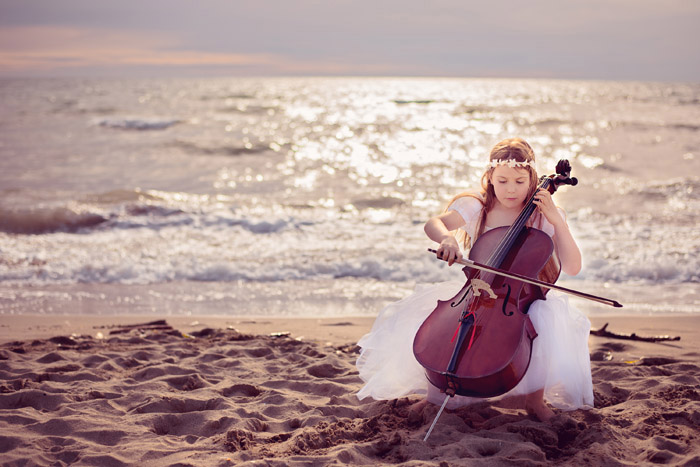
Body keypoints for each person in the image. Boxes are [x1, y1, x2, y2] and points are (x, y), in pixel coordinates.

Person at [356, 137, 593, 422]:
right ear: (490, 176)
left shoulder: (544, 216)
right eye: (502, 180)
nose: (511, 189)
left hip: (519, 301)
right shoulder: (477, 206)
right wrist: (448, 240)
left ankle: (534, 401)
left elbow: (573, 266)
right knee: (440, 323)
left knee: (543, 321)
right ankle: (435, 396)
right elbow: (435, 223)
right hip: (477, 291)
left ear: (531, 179)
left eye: (519, 181)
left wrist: (557, 221)